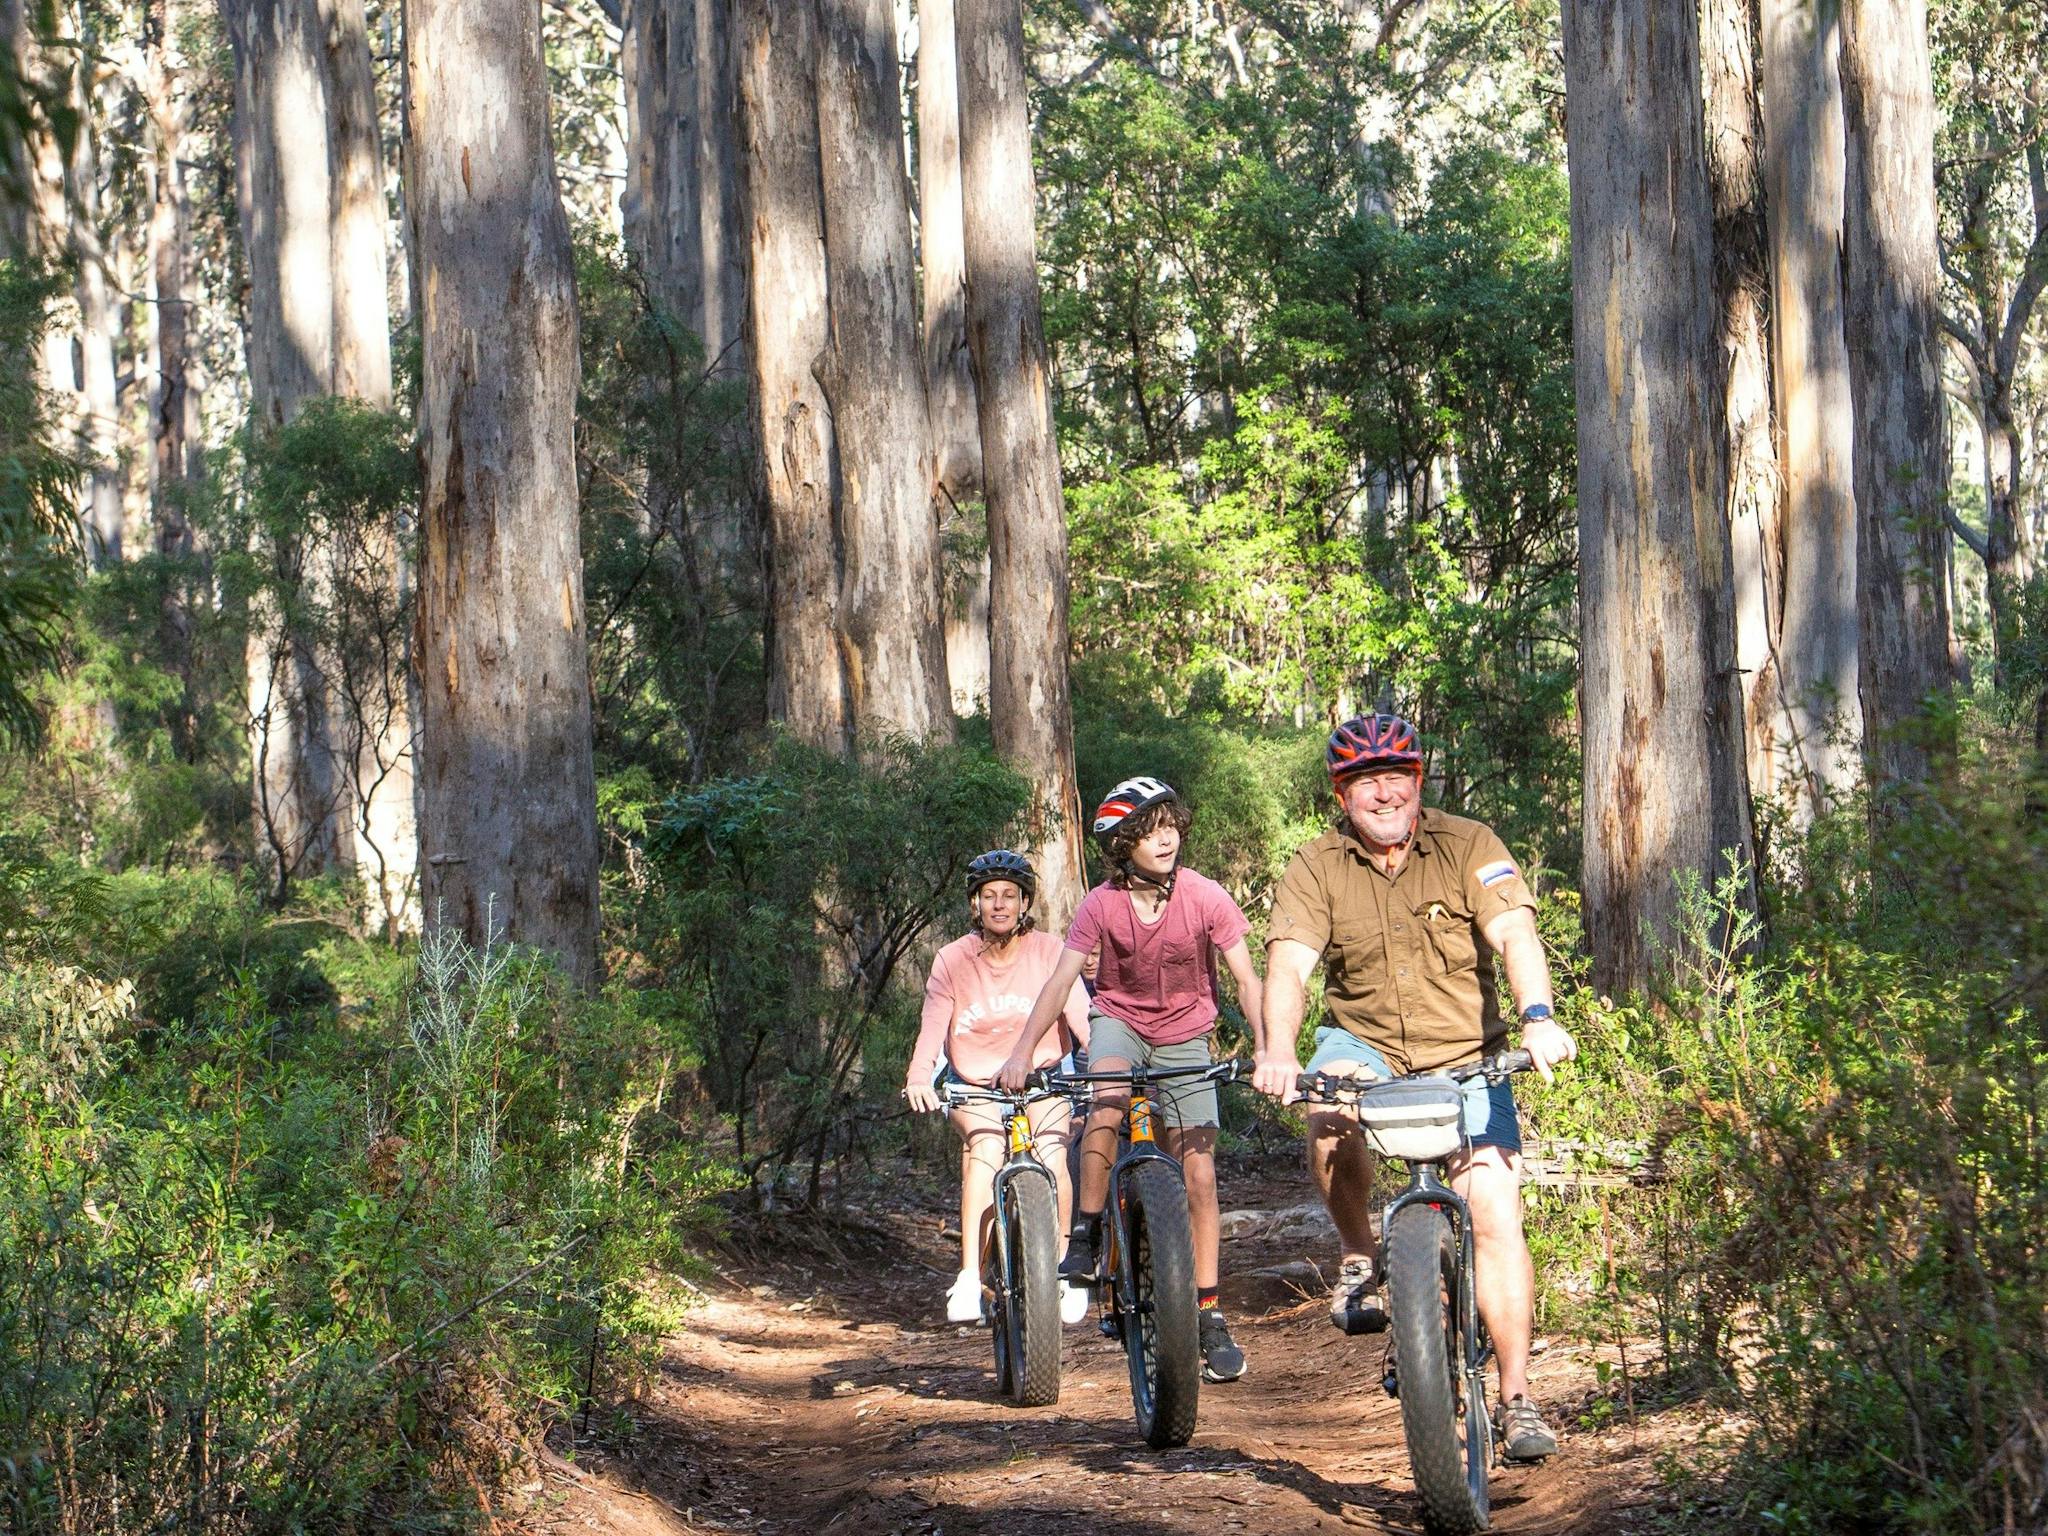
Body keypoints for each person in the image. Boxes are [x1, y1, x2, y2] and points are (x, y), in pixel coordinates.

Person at [1254, 714, 1578, 1461]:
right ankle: (1363, 1258)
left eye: (1395, 774)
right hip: (1364, 1044)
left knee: (1494, 1213)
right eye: (1365, 780)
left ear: (1419, 780)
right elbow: (1290, 967)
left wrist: (1537, 1018)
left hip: (1470, 1052)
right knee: (1328, 1106)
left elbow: (1515, 935)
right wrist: (1276, 1051)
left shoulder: (1471, 844)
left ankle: (1517, 1397)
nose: (1383, 791)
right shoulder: (1316, 865)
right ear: (1342, 794)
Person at [998, 777, 1265, 1383]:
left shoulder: (1204, 896)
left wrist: (1271, 1045)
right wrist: (1021, 1052)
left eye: (1170, 825)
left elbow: (1247, 979)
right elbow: (1061, 983)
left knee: (1196, 1170)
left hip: (1186, 1031)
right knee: (1108, 1098)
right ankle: (1087, 1233)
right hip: (1119, 1022)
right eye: (1148, 832)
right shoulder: (1100, 905)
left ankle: (1208, 1310)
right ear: (1124, 845)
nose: (1165, 838)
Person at [904, 849, 1093, 1326]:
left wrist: (1106, 1065)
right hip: (976, 1087)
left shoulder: (1051, 951)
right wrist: (918, 1077)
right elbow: (932, 1028)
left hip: (1043, 1079)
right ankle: (970, 1274)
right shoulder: (952, 959)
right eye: (989, 896)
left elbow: (1082, 1019)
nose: (1000, 905)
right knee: (985, 1150)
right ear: (975, 905)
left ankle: (1064, 1268)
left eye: (1010, 895)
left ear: (1025, 902)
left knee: (1053, 1152)